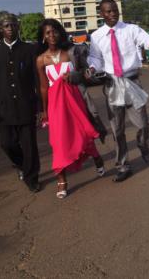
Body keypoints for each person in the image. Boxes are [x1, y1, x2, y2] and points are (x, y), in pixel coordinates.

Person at [88, 0, 149, 182]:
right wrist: (93, 68)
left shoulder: (130, 29)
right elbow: (95, 58)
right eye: (108, 11)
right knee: (117, 129)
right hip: (112, 84)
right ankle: (123, 165)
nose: (112, 14)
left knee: (143, 123)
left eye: (115, 10)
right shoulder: (96, 37)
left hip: (132, 81)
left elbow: (145, 38)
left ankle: (143, 146)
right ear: (101, 14)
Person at [36, 19, 105, 199]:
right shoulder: (41, 60)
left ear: (60, 33)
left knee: (83, 134)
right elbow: (44, 87)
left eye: (55, 31)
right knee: (58, 143)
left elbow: (87, 74)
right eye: (48, 32)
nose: (52, 35)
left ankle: (97, 158)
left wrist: (75, 75)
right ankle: (62, 181)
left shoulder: (72, 53)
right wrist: (44, 111)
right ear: (43, 36)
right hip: (56, 105)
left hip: (75, 100)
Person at [0, 13, 41, 192]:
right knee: (6, 144)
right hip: (4, 108)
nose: (10, 29)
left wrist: (40, 107)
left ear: (18, 27)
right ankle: (22, 166)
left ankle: (32, 178)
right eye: (6, 26)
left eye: (13, 25)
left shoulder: (29, 50)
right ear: (0, 28)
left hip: (26, 106)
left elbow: (37, 81)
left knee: (30, 146)